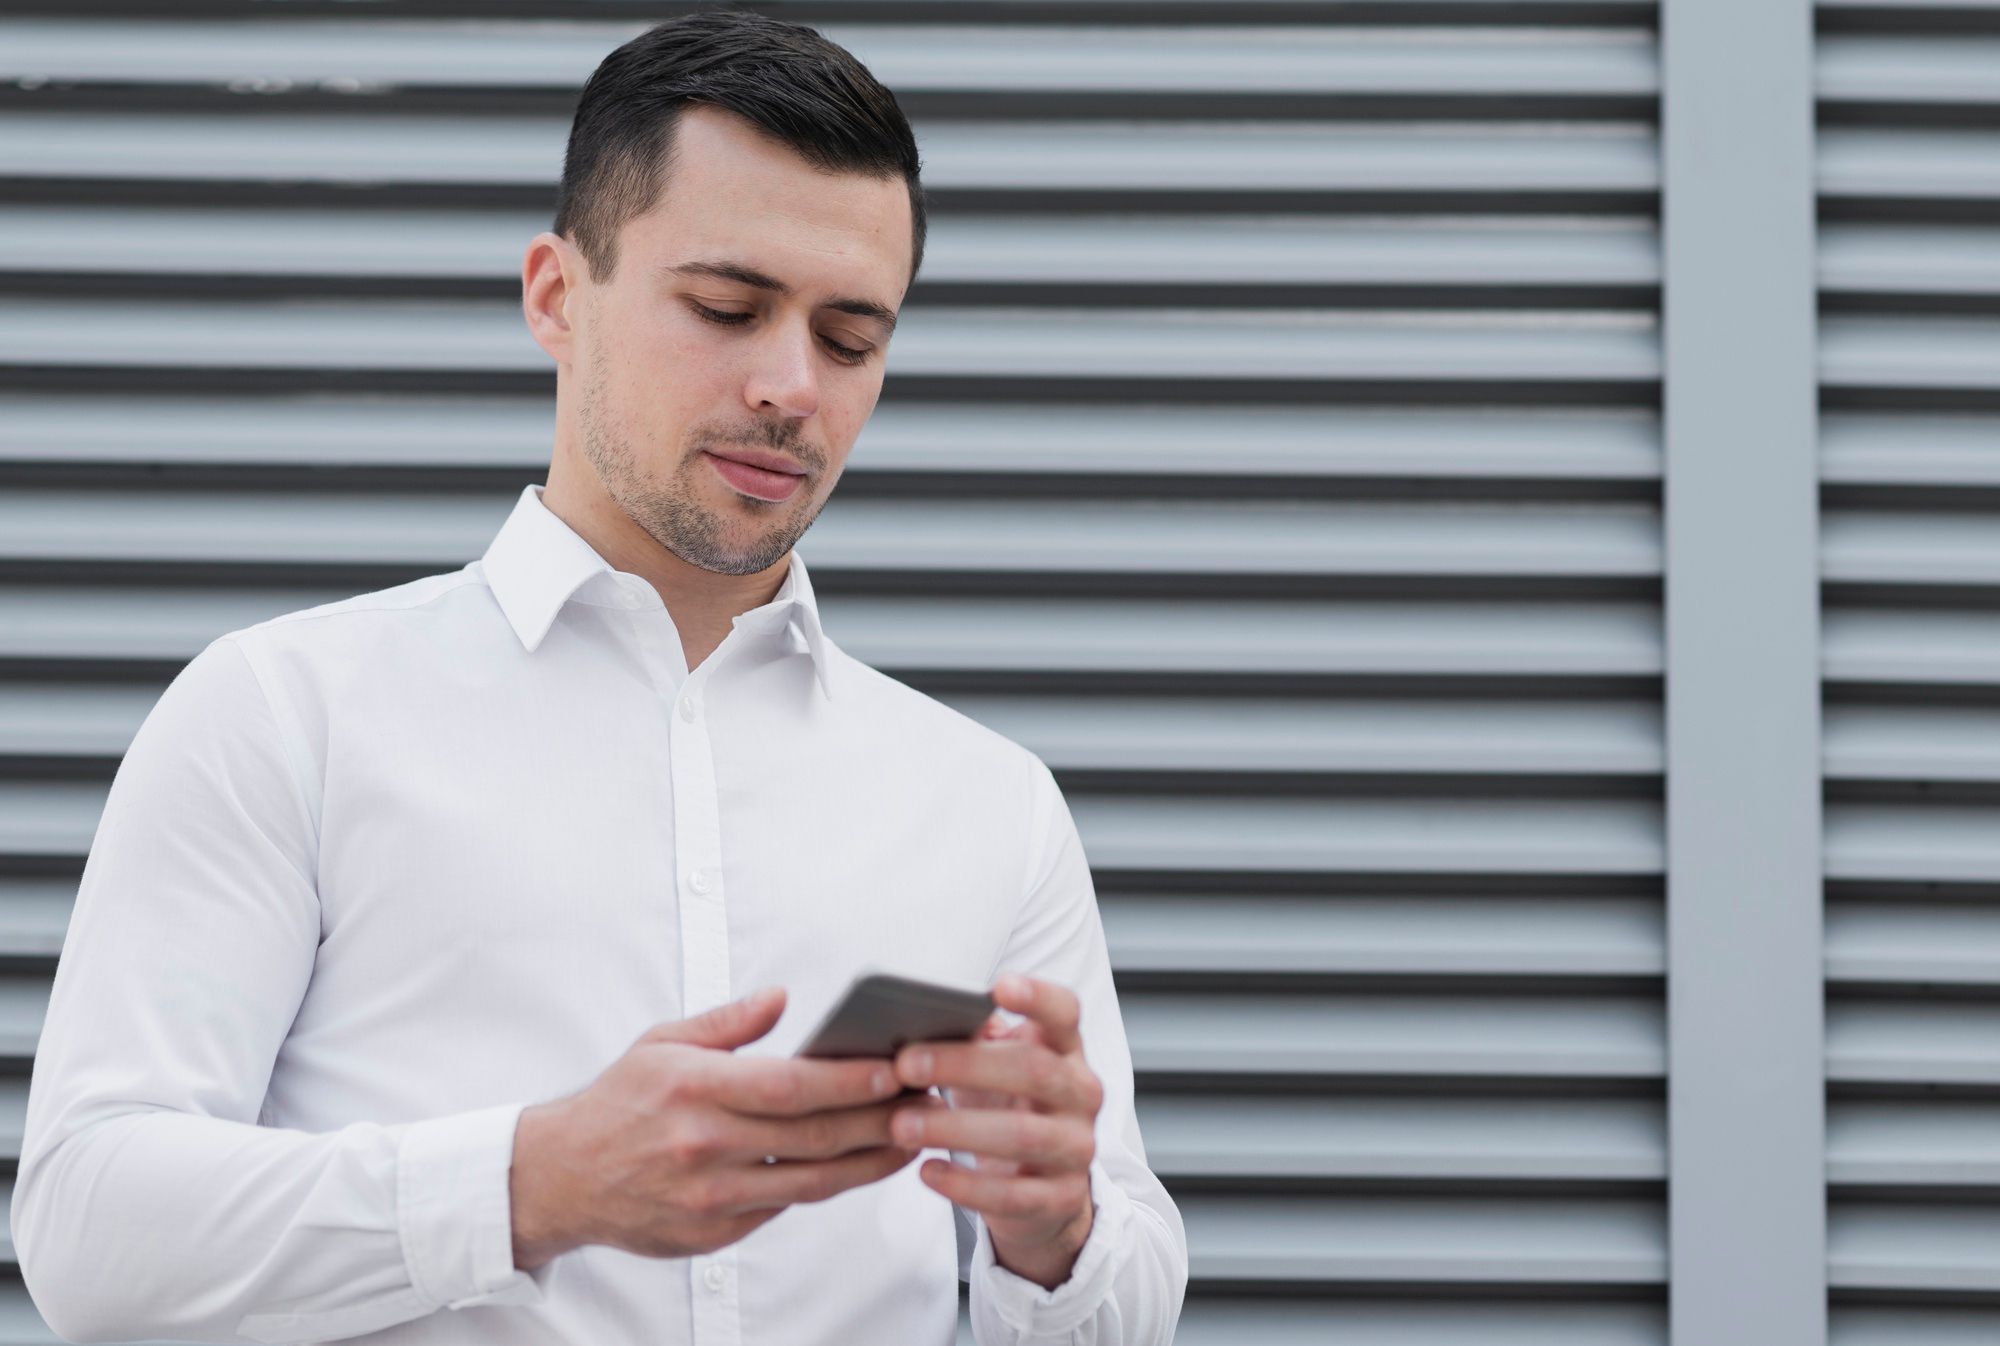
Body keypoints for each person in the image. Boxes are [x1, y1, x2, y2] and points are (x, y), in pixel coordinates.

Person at [9, 11, 1188, 1346]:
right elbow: (89, 1231)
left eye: (852, 339)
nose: (790, 386)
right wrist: (528, 1183)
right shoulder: (283, 714)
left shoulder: (991, 803)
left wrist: (1058, 1234)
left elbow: (1127, 1294)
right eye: (728, 308)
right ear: (556, 294)